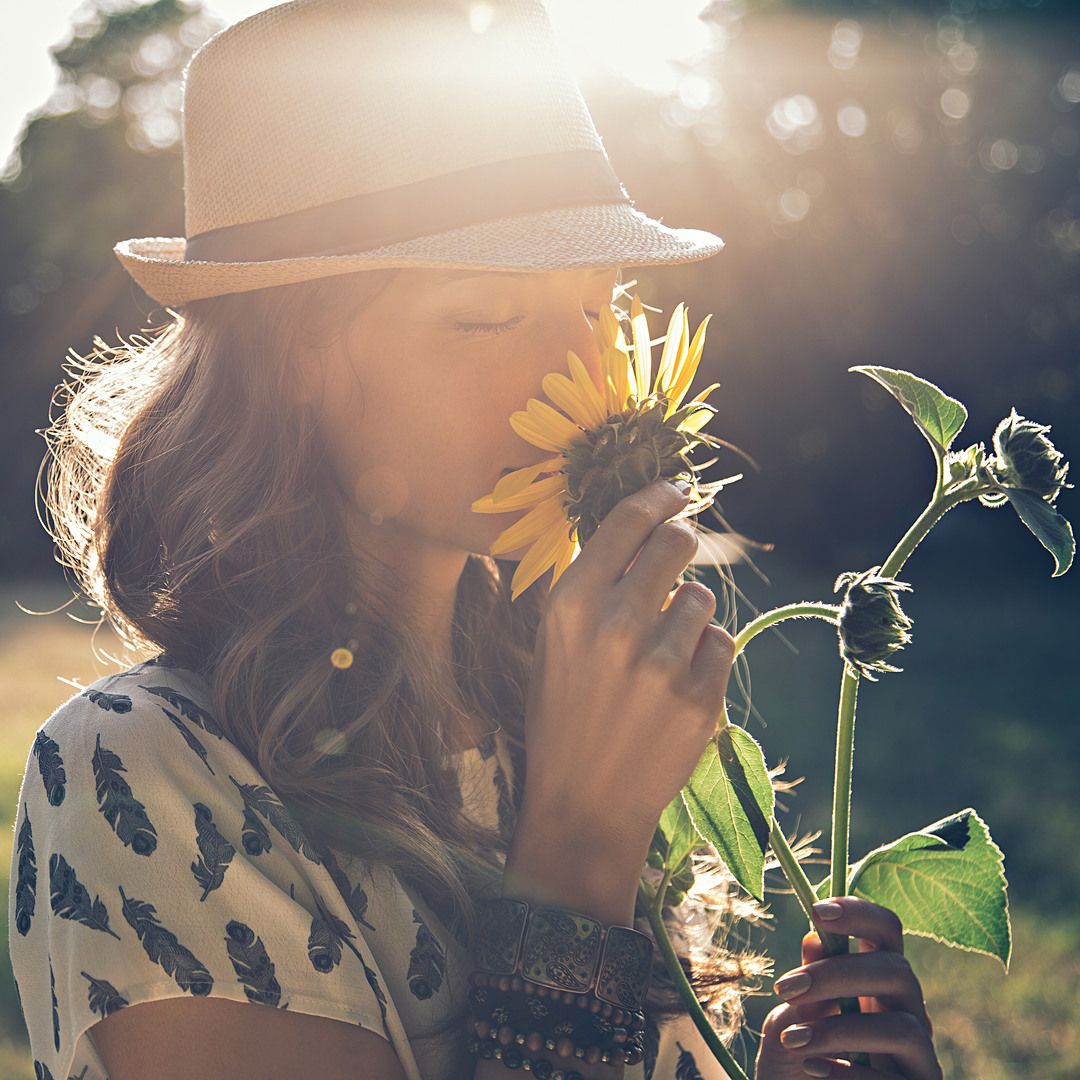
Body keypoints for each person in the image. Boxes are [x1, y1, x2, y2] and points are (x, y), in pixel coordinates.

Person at [8, 2, 943, 1078]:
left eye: (601, 307)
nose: (576, 378)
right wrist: (583, 847)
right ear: (293, 361)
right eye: (485, 318)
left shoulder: (534, 717)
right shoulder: (145, 774)